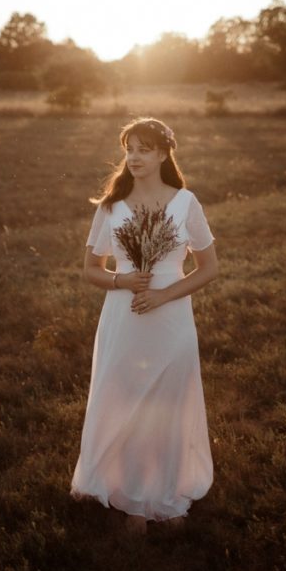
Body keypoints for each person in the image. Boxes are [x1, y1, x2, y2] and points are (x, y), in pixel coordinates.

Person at [70, 117, 220, 536]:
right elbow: (90, 269)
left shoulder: (185, 203)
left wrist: (162, 295)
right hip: (123, 316)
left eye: (143, 149)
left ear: (162, 153)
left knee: (169, 402)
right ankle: (129, 494)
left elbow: (208, 269)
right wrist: (122, 280)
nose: (134, 157)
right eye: (129, 149)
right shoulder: (111, 206)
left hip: (171, 318)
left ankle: (164, 494)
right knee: (125, 399)